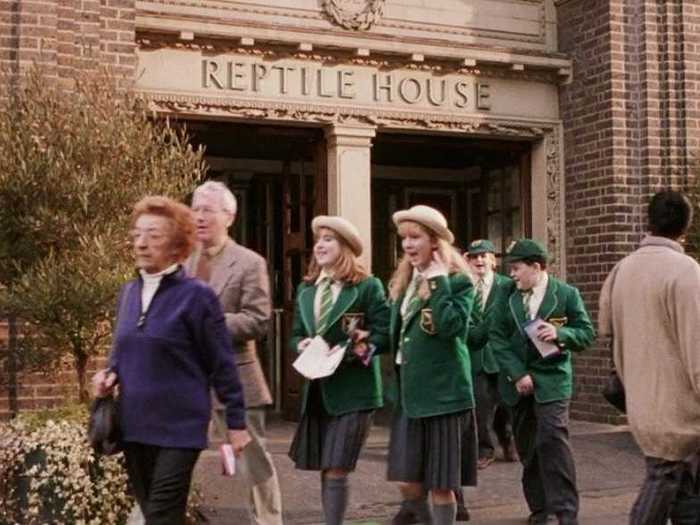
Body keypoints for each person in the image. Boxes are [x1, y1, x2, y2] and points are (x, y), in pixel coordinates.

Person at [92, 196, 250, 525]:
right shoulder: (128, 293)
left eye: (154, 235)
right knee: (158, 514)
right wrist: (108, 375)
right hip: (134, 426)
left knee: (162, 515)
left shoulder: (197, 296)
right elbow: (121, 351)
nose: (142, 243)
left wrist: (236, 424)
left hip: (180, 428)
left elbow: (222, 363)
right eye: (137, 234)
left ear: (178, 245)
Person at [598, 190, 700, 525]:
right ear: (686, 224)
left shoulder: (621, 270)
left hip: (641, 402)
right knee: (665, 478)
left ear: (649, 221)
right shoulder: (687, 272)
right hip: (680, 410)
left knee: (685, 490)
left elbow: (606, 331)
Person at [184, 181, 283, 525]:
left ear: (229, 216)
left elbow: (258, 321)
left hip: (237, 377)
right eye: (195, 208)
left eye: (207, 210)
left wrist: (210, 324)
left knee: (252, 460)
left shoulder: (248, 263)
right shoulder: (181, 262)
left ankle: (268, 520)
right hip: (187, 381)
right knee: (176, 456)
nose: (199, 217)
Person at [287, 215, 390, 525]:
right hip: (318, 390)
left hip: (354, 391)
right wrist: (301, 345)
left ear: (345, 247)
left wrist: (353, 348)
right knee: (325, 464)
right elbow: (294, 334)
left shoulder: (367, 287)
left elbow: (384, 334)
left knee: (336, 465)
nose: (320, 245)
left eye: (329, 239)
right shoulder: (306, 290)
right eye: (318, 239)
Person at [491, 238, 594, 525]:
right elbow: (496, 337)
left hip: (553, 381)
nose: (511, 274)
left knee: (552, 440)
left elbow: (586, 334)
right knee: (529, 448)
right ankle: (540, 510)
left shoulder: (566, 294)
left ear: (536, 267)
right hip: (519, 384)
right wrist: (517, 373)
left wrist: (561, 335)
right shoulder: (505, 294)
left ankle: (565, 513)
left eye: (516, 268)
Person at [386, 205, 478, 525]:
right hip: (410, 396)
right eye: (404, 239)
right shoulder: (405, 281)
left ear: (436, 242)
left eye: (416, 237)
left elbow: (453, 328)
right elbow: (396, 335)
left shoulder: (458, 281)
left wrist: (438, 282)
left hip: (444, 397)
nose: (408, 245)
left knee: (441, 485)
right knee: (407, 481)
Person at [464, 239, 517, 469]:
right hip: (475, 356)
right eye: (475, 256)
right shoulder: (462, 287)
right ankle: (484, 450)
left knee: (506, 404)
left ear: (493, 260)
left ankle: (508, 441)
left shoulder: (507, 285)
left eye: (484, 256)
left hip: (502, 356)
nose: (479, 260)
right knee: (480, 405)